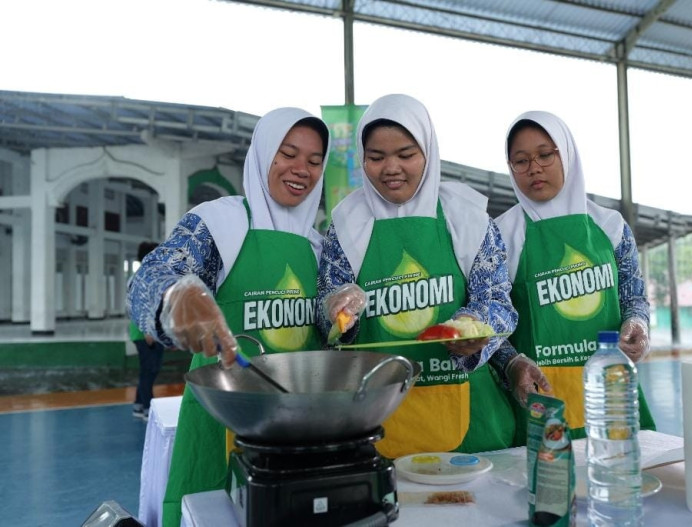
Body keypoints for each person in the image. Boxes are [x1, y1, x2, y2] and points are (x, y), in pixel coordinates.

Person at [127, 107, 329, 527]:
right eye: (287, 153)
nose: (301, 169)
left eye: (314, 161)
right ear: (261, 156)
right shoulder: (219, 223)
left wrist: (340, 309)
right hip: (221, 420)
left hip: (298, 428)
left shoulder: (318, 244)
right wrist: (175, 294)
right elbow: (157, 270)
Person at [317, 93, 518, 459]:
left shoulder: (467, 217)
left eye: (406, 155)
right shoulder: (347, 224)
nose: (391, 168)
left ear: (428, 152)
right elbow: (329, 321)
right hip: (376, 419)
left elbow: (498, 302)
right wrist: (337, 310)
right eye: (376, 158)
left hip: (470, 416)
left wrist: (475, 327)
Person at [493, 111, 655, 441]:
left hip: (610, 394)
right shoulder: (500, 235)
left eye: (544, 155)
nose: (534, 168)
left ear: (566, 154)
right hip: (541, 401)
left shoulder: (610, 226)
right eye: (520, 161)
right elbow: (490, 323)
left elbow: (632, 295)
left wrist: (637, 324)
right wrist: (512, 363)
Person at [129, 241, 165, 421]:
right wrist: (148, 331)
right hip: (147, 334)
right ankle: (148, 409)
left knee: (147, 371)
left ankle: (138, 405)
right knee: (150, 371)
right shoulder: (145, 276)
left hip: (148, 332)